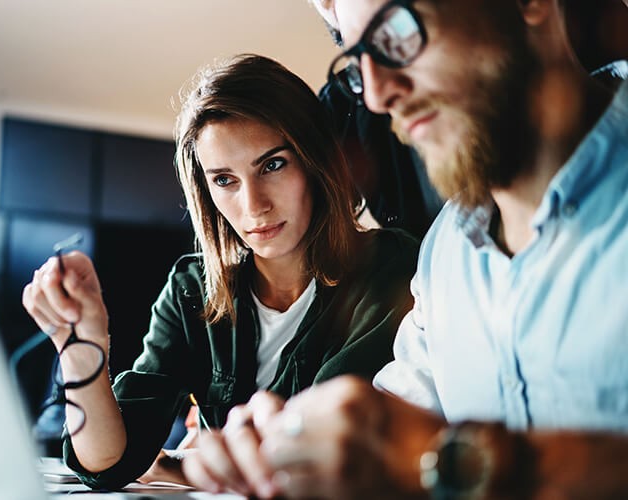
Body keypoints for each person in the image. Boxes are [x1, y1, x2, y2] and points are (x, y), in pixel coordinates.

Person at [182, 0, 628, 498]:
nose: (376, 95)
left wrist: (463, 463)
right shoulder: (445, 254)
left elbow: (425, 454)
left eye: (398, 32)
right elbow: (391, 430)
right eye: (358, 60)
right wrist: (292, 452)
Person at [22, 54, 418, 491]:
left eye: (273, 164)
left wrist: (185, 466)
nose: (254, 206)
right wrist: (80, 345)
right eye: (225, 180)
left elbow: (311, 444)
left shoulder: (389, 268)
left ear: (315, 161)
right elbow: (107, 463)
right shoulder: (192, 289)